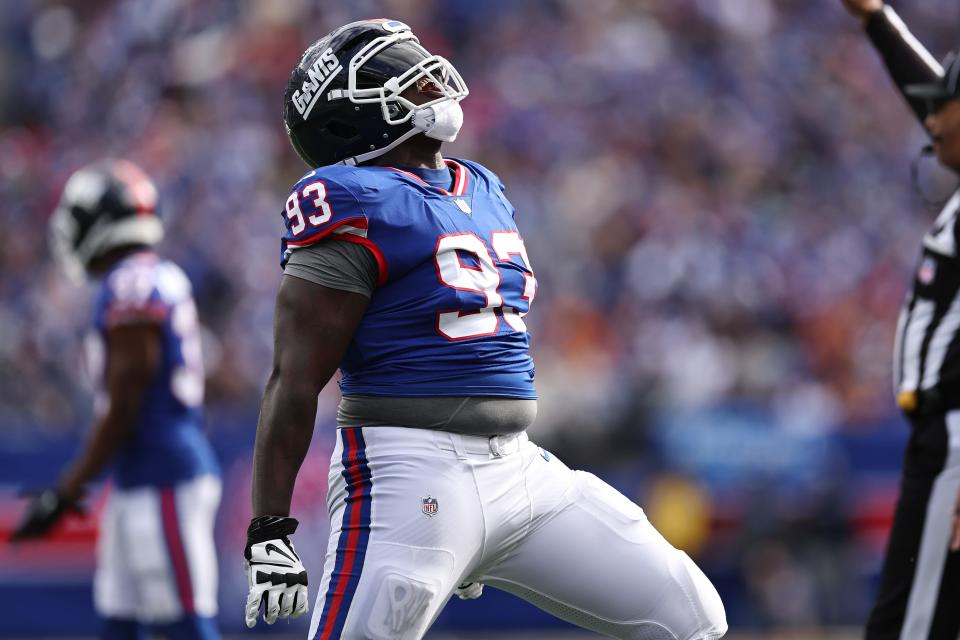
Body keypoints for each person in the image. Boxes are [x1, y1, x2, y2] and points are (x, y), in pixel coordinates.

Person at [243, 19, 727, 640]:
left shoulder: (478, 185)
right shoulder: (348, 200)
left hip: (521, 466)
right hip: (410, 471)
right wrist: (271, 530)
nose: (425, 80)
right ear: (349, 119)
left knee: (692, 617)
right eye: (398, 78)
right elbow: (293, 379)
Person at [13, 160, 222, 640]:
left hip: (164, 475)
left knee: (186, 624)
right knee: (121, 625)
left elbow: (128, 398)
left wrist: (68, 489)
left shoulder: (133, 282)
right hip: (139, 477)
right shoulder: (139, 278)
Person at [840, 1, 960, 638]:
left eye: (950, 103)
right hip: (941, 443)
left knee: (908, 625)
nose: (933, 117)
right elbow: (932, 99)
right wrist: (878, 19)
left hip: (957, 446)